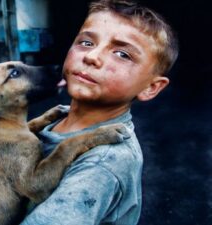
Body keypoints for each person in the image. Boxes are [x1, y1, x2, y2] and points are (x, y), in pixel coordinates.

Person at [20, 0, 179, 224]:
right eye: (85, 42)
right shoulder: (59, 115)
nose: (91, 56)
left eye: (123, 54)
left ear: (150, 87)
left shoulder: (103, 164)